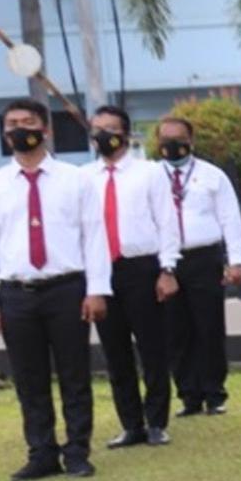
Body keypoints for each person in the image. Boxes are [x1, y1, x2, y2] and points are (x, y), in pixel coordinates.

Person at [0, 96, 111, 479]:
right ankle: (41, 452)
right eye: (12, 125)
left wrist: (97, 289)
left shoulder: (77, 179)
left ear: (46, 129)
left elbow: (95, 236)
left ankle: (77, 451)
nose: (20, 130)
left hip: (67, 289)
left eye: (28, 122)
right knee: (29, 378)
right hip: (16, 292)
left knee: (74, 374)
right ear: (5, 134)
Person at [85, 104, 181, 449]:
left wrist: (167, 268)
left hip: (141, 268)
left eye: (109, 128)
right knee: (115, 351)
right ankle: (131, 424)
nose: (103, 135)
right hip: (101, 271)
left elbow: (166, 221)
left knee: (152, 347)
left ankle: (157, 422)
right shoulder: (84, 178)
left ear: (124, 133)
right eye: (97, 129)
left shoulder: (150, 172)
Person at [153, 115, 241, 418]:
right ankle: (188, 395)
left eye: (177, 139)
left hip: (203, 257)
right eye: (165, 139)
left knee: (209, 327)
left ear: (190, 141)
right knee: (173, 330)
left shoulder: (212, 175)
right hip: (166, 261)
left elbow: (230, 219)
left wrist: (236, 261)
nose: (171, 145)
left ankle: (214, 393)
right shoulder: (151, 177)